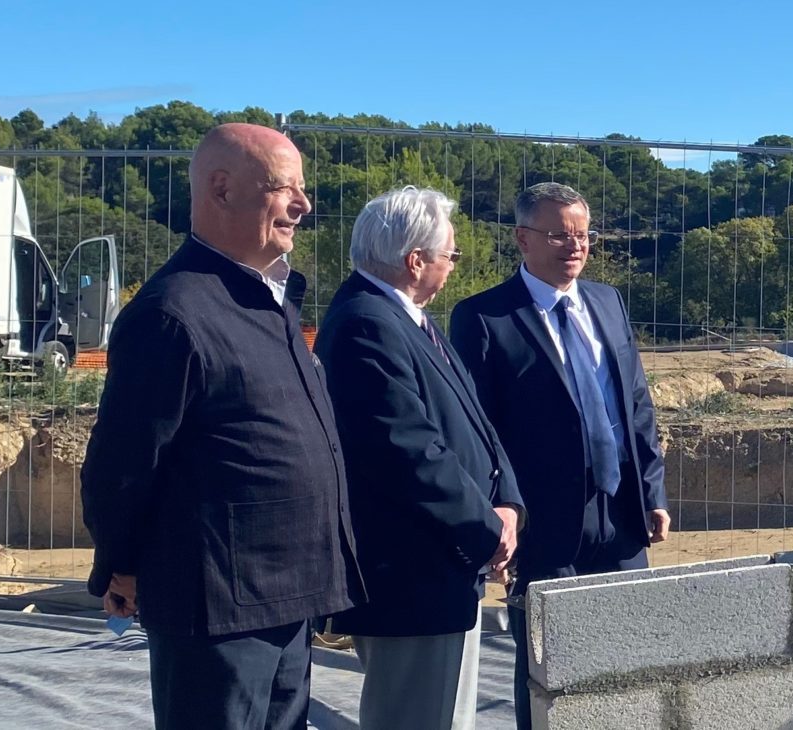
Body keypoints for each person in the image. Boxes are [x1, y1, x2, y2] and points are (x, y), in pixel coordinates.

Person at [79, 123, 358, 730]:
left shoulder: (266, 300)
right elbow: (123, 465)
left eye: (302, 188)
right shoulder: (172, 313)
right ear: (222, 189)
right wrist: (120, 564)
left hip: (287, 597)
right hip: (219, 608)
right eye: (284, 187)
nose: (303, 204)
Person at [447, 182, 671, 730]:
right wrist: (499, 515)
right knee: (547, 671)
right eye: (558, 236)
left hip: (621, 514)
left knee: (627, 663)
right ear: (523, 239)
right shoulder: (484, 317)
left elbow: (636, 404)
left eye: (583, 235)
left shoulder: (608, 302)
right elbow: (477, 430)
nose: (575, 246)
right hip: (543, 525)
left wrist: (652, 490)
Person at [315, 186, 523, 730]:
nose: (454, 265)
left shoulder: (405, 317)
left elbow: (475, 422)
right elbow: (407, 452)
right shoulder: (366, 324)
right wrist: (486, 528)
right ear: (416, 260)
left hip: (444, 568)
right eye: (450, 254)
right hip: (412, 577)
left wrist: (507, 502)